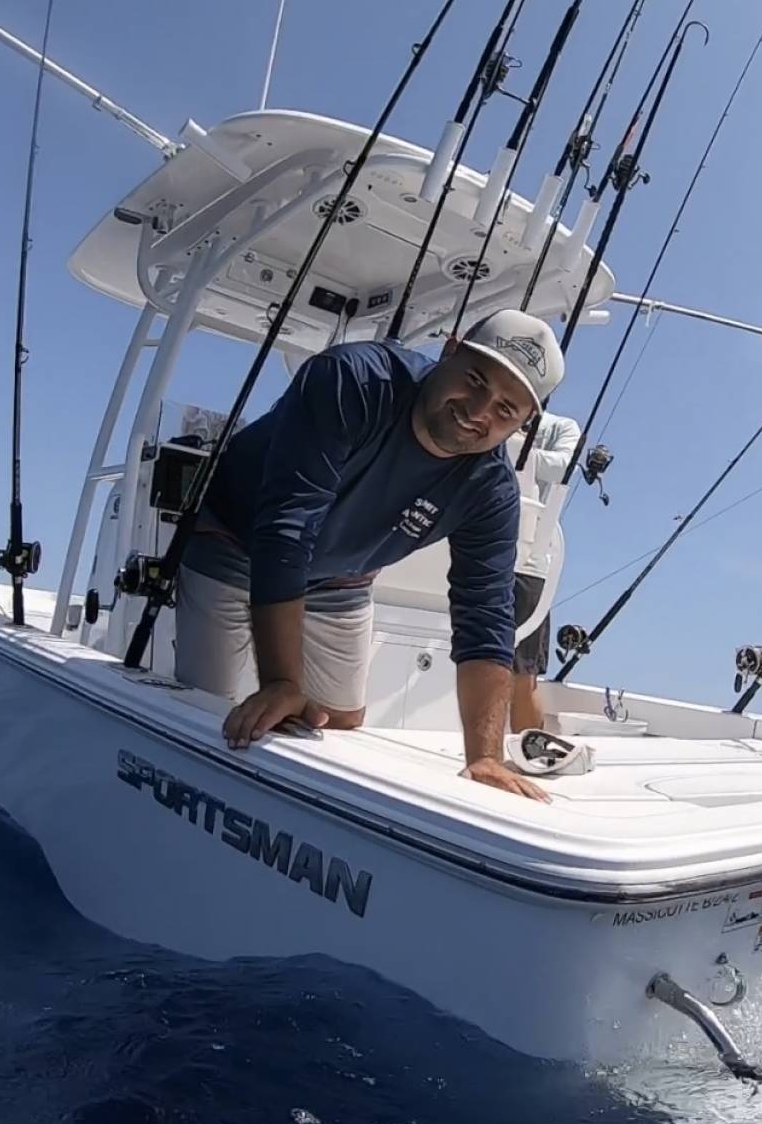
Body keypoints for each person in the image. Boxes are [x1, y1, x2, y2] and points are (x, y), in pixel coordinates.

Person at [172, 308, 563, 803]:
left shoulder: (492, 492)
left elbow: (485, 614)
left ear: (524, 424)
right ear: (450, 348)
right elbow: (287, 528)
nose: (479, 409)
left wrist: (482, 756)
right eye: (475, 380)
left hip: (344, 580)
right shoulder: (353, 380)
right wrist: (281, 681)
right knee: (212, 713)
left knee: (337, 723)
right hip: (237, 541)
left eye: (506, 410)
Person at [507, 410, 581, 732]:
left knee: (523, 674)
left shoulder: (560, 427)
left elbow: (565, 465)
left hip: (528, 567)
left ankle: (523, 757)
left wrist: (509, 443)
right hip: (470, 554)